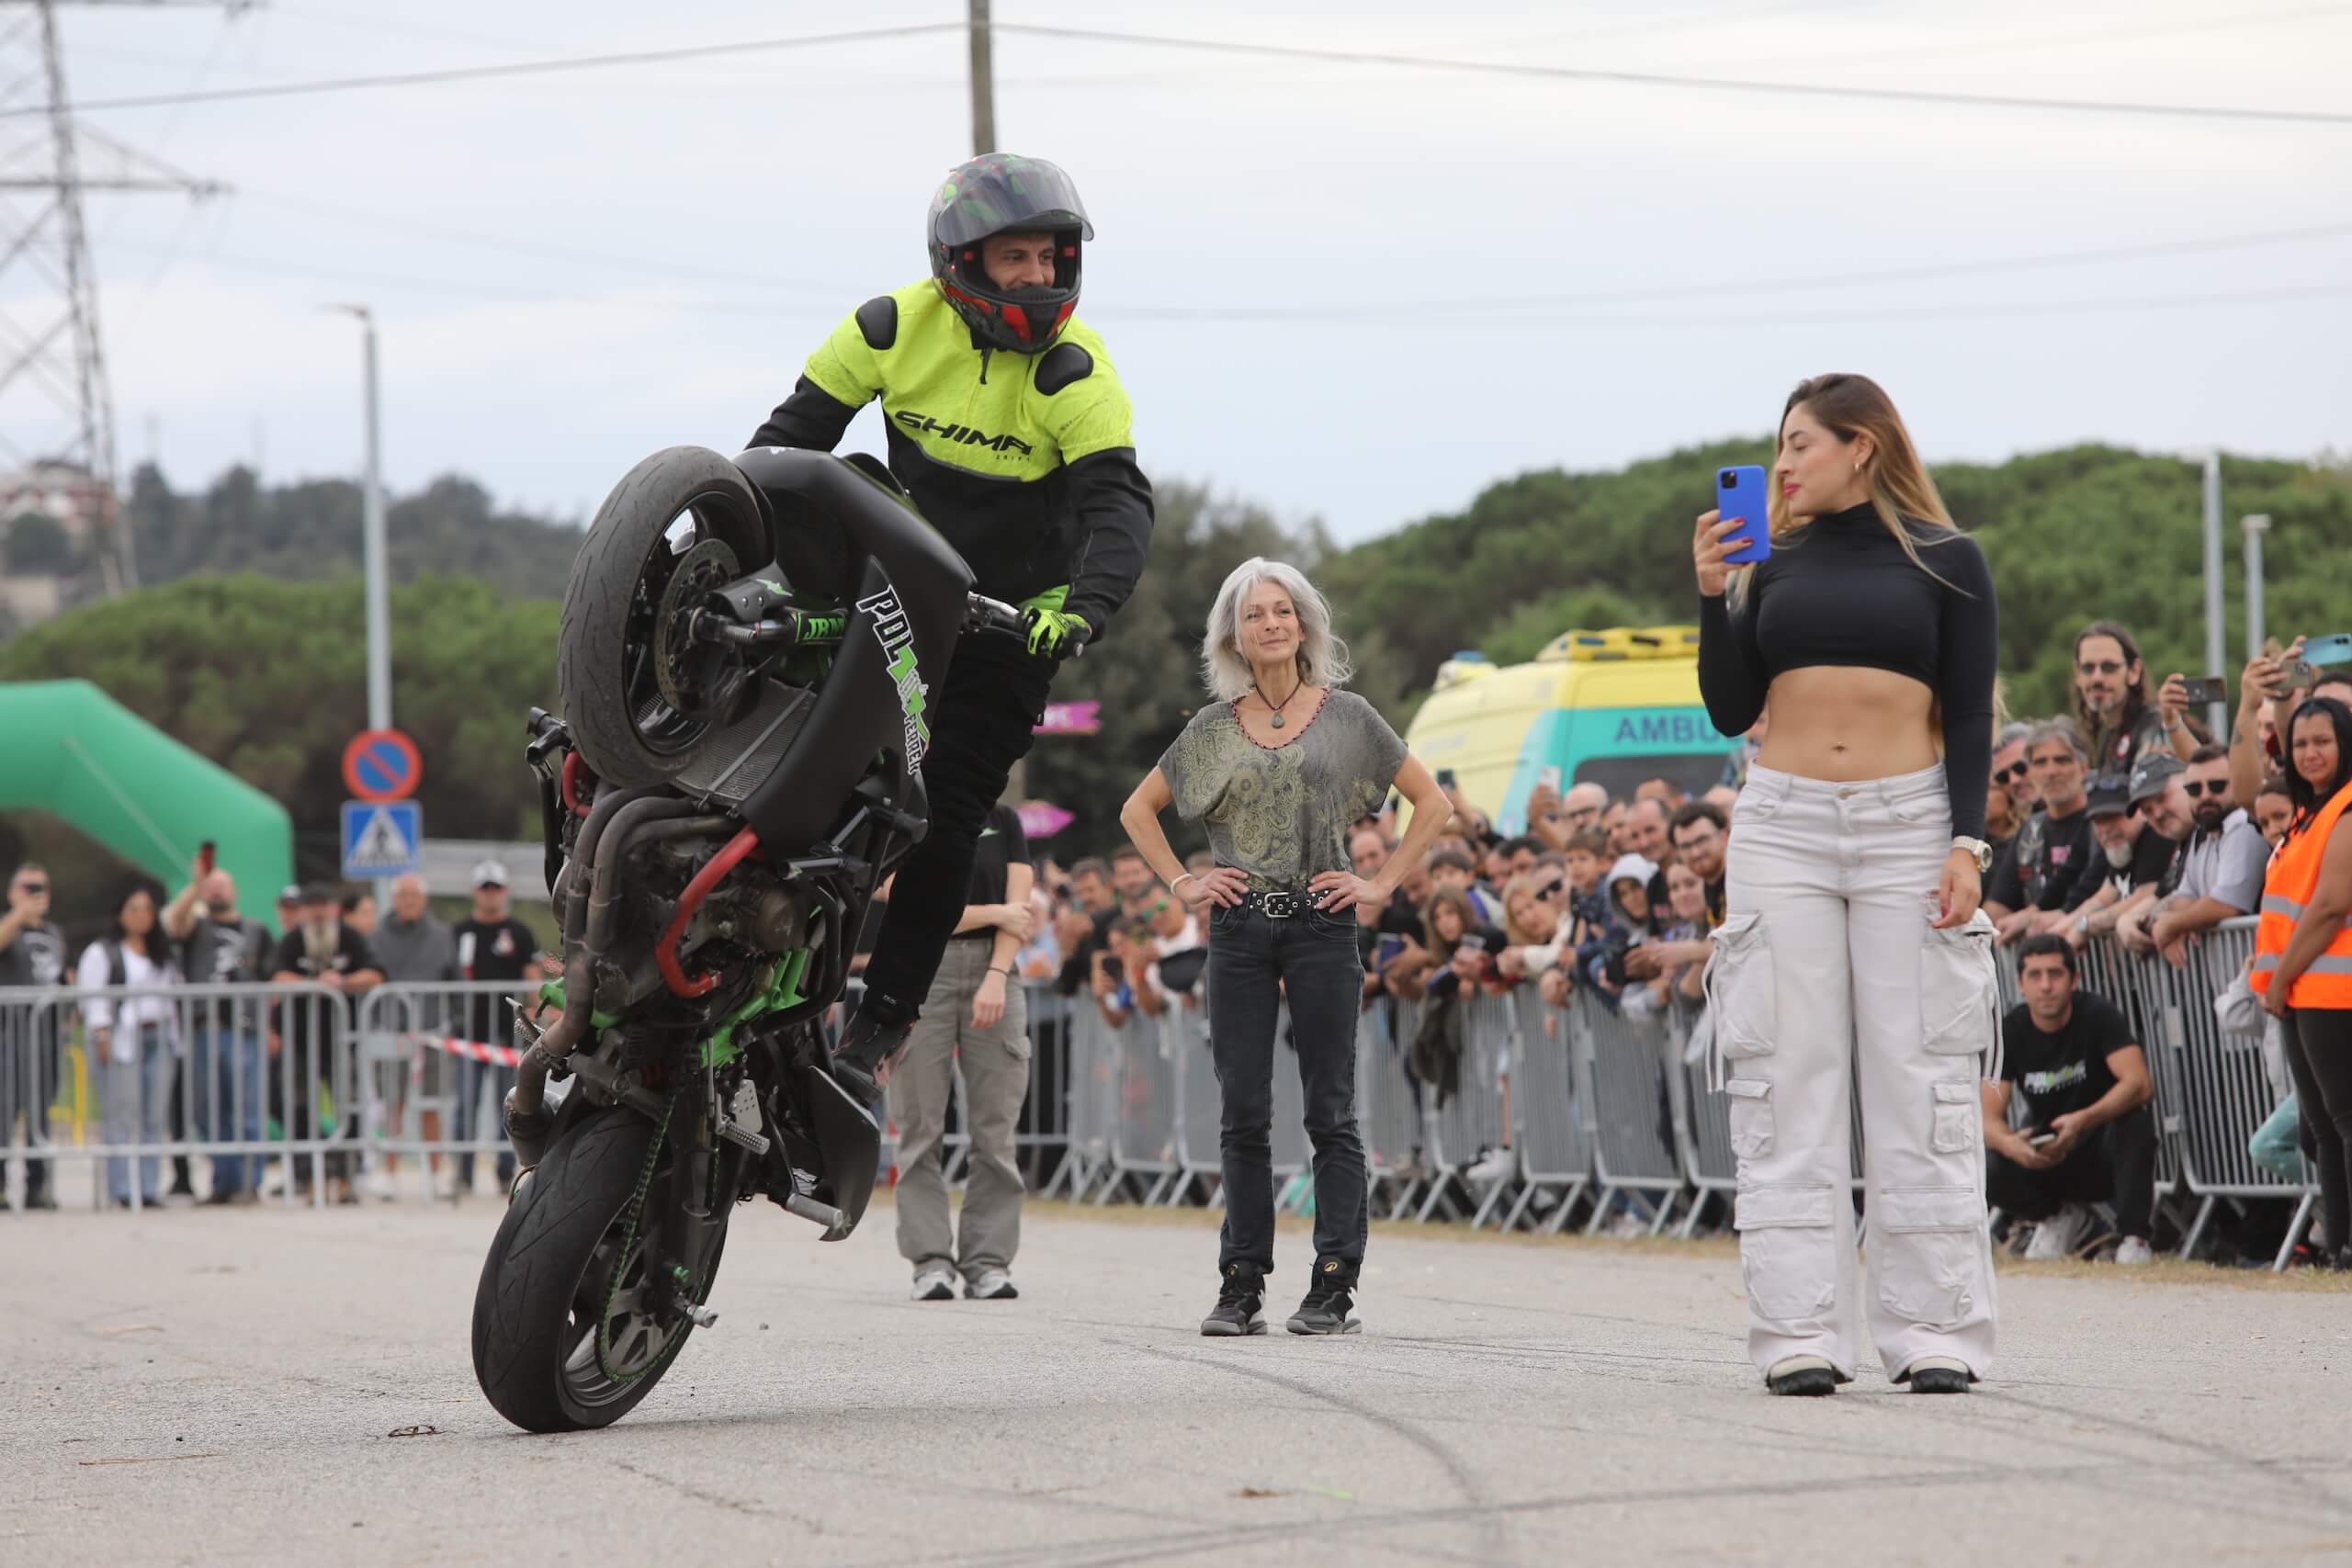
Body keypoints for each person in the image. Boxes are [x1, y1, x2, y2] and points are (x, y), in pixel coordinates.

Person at [749, 152, 1154, 1099]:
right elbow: (783, 445)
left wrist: (1083, 607)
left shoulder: (1077, 369)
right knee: (796, 763)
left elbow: (1119, 507)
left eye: (1051, 258)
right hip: (898, 593)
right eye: (1017, 258)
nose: (1039, 277)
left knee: (946, 815)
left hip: (1010, 623)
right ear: (960, 262)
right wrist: (715, 532)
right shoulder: (888, 326)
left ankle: (879, 1025)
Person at [1694, 371, 1999, 1397]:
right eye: (1778, 446)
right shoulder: (1767, 562)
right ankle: (1799, 1330)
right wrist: (1713, 594)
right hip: (1781, 825)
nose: (1780, 464)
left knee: (1921, 1074)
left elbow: (1969, 713)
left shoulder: (1948, 559)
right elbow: (1728, 707)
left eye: (1799, 443)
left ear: (1860, 444)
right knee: (1787, 1075)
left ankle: (1935, 1329)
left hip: (1908, 823)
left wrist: (1967, 843)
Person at [1120, 558, 1451, 1339]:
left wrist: (1380, 883)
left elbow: (1432, 802)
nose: (1270, 623)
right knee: (1242, 1111)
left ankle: (1334, 1284)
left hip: (1323, 922)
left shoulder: (1349, 716)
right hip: (1237, 927)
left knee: (1330, 1110)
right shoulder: (1211, 728)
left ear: (1304, 625)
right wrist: (1184, 883)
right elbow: (1138, 810)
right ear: (1233, 636)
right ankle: (1241, 1283)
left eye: (1282, 611)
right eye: (1253, 614)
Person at [895, 800, 1035, 1303]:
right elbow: (902, 898)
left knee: (996, 1132)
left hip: (996, 971)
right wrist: (994, 913)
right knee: (919, 1128)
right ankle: (930, 1261)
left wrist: (997, 975)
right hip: (920, 972)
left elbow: (1020, 912)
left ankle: (988, 1262)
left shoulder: (1003, 820)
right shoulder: (908, 814)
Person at [2253, 695, 2352, 1268]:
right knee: (2324, 1130)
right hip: (2303, 991)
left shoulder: (2346, 808)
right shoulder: (2305, 814)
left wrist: (2278, 979)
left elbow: (2331, 905)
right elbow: (2247, 782)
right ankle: (2341, 1247)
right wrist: (2255, 703)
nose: (2310, 753)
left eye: (2323, 741)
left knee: (2344, 1122)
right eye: (2300, 744)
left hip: (2331, 991)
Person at [1984, 936, 2157, 1264]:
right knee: (1986, 1161)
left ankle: (2133, 1239)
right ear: (2020, 984)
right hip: (2047, 1153)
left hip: (2102, 1150)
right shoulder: (2010, 1031)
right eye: (2035, 975)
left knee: (2135, 1122)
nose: (2045, 986)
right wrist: (2011, 1145)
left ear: (2074, 979)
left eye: (2055, 974)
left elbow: (2139, 1084)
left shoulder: (2098, 1014)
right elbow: (1986, 1115)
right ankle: (2057, 1219)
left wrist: (2084, 1120)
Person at [163, 863, 275, 1204]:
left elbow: (270, 981)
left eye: (222, 885)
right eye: (211, 887)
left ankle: (249, 1182)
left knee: (247, 1110)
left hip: (245, 1030)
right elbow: (172, 922)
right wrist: (195, 885)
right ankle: (223, 1181)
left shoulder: (257, 931)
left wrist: (270, 1026)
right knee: (209, 1112)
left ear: (235, 891)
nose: (217, 892)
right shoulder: (195, 928)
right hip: (204, 1030)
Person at [269, 884, 382, 1201]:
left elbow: (376, 975)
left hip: (343, 1040)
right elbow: (277, 977)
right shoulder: (293, 940)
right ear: (304, 910)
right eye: (312, 905)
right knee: (299, 1108)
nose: (318, 912)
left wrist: (342, 982)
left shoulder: (350, 938)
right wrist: (314, 984)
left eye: (324, 905)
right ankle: (308, 1177)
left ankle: (346, 1177)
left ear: (334, 908)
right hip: (299, 1041)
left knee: (350, 1108)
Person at [78, 884, 178, 1208]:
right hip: (121, 1038)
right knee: (120, 1114)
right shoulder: (102, 951)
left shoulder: (161, 951)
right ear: (120, 913)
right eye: (133, 909)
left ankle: (149, 1188)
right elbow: (92, 996)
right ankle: (120, 1188)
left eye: (147, 909)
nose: (141, 916)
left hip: (158, 1036)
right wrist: (101, 1033)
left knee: (154, 1116)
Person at [451, 862, 540, 1199]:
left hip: (507, 1035)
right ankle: (463, 1172)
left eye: (496, 888)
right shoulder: (459, 932)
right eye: (485, 888)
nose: (490, 894)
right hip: (467, 1034)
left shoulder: (519, 932)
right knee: (465, 1104)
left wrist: (538, 1013)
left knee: (508, 1104)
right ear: (475, 892)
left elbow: (534, 976)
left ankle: (505, 1171)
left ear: (505, 892)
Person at [369, 874, 458, 1194]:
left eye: (414, 895)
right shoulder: (377, 937)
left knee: (432, 1104)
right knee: (392, 1104)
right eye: (403, 895)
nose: (408, 900)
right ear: (394, 899)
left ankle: (435, 1172)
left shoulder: (442, 935)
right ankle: (389, 1172)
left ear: (424, 900)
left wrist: (454, 1022)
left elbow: (456, 981)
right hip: (391, 1032)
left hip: (432, 1031)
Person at [1982, 720, 2098, 942]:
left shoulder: (2103, 819)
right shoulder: (2030, 831)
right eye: (2040, 763)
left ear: (2084, 767)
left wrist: (2034, 916)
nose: (2051, 771)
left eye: (2061, 760)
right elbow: (1996, 909)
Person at [0, 861, 67, 1210]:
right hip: (9, 1033)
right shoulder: (8, 928)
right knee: (4, 1110)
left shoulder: (55, 934)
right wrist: (18, 915)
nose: (37, 894)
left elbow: (63, 978)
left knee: (41, 1113)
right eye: (29, 887)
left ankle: (37, 1185)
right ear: (12, 892)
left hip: (48, 1035)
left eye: (42, 888)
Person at [2071, 620, 2197, 778]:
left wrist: (2173, 725)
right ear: (2077, 673)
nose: (2097, 678)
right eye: (2088, 668)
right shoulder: (2108, 736)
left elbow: (2200, 773)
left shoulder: (2155, 726)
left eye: (2109, 667)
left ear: (2134, 671)